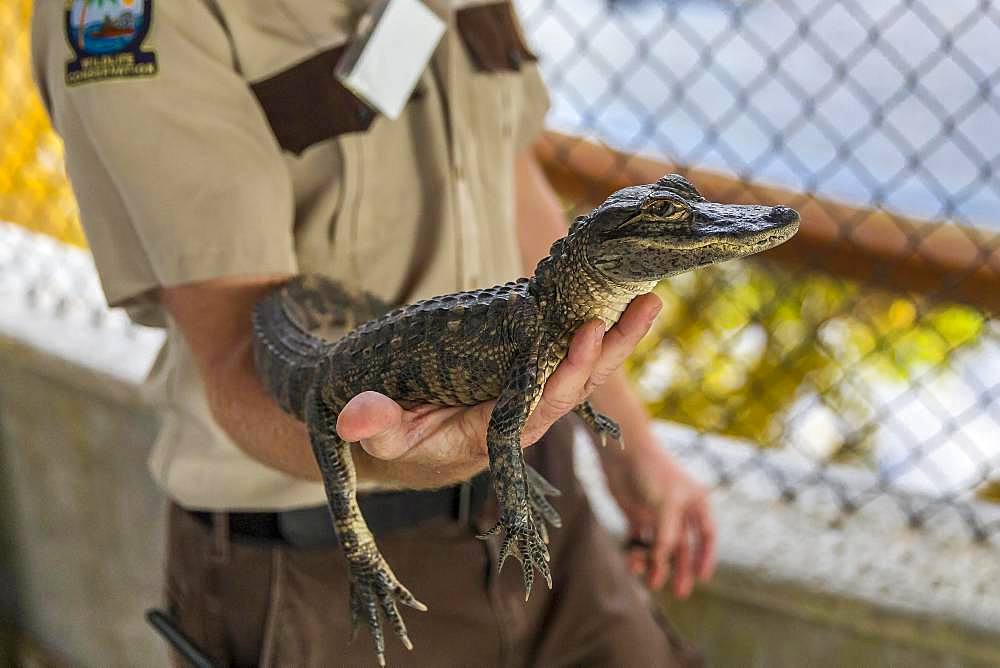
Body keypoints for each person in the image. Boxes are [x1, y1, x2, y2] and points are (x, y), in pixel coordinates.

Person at [32, 1, 715, 665]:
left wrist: (630, 446)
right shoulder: (131, 18)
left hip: (539, 502)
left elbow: (502, 173)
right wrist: (399, 454)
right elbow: (238, 351)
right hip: (321, 576)